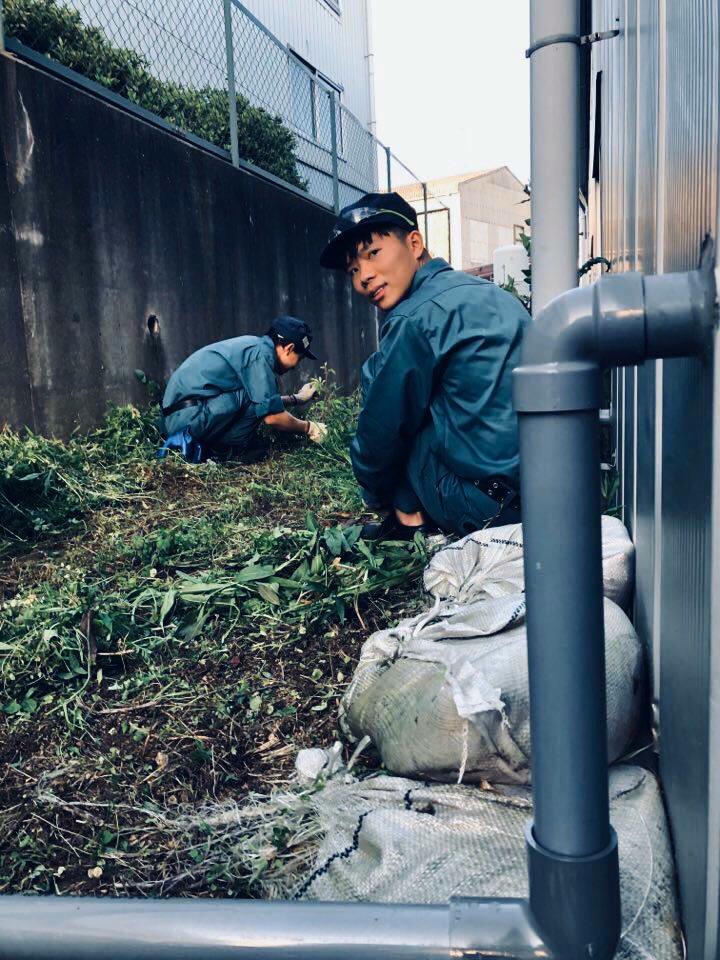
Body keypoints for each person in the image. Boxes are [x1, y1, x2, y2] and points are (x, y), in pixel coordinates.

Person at [320, 192, 527, 540]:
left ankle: (409, 521)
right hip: (547, 492)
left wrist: (376, 494)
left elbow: (379, 437)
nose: (364, 276)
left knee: (381, 380)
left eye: (373, 253)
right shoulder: (490, 293)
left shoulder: (413, 318)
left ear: (414, 244)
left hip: (489, 509)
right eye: (353, 269)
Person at [159, 316, 327, 462]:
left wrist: (298, 398)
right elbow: (272, 417)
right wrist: (309, 427)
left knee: (252, 400)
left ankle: (224, 448)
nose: (297, 366)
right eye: (300, 358)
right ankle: (225, 452)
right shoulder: (260, 357)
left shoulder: (256, 349)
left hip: (183, 415)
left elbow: (264, 403)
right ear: (289, 348)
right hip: (185, 420)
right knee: (252, 401)